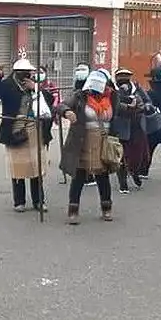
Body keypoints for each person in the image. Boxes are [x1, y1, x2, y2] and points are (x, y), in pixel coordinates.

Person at [56, 70, 121, 224]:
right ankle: (73, 211)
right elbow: (61, 105)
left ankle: (106, 208)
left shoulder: (112, 96)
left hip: (103, 141)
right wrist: (67, 112)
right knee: (78, 176)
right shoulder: (80, 96)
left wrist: (135, 106)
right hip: (83, 140)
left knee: (102, 176)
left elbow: (120, 110)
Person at [0, 58, 54, 212]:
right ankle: (19, 201)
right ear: (16, 72)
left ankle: (38, 201)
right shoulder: (7, 84)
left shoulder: (34, 84)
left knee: (36, 167)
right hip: (15, 128)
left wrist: (36, 88)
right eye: (23, 73)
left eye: (28, 72)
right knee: (18, 168)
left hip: (35, 129)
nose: (26, 75)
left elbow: (50, 100)